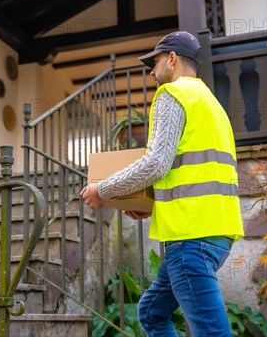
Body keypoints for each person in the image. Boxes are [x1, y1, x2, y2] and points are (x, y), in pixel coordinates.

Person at [80, 31, 244, 337]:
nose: (152, 71)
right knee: (152, 312)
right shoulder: (212, 104)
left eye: (154, 62)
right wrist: (150, 205)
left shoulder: (172, 95)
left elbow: (156, 163)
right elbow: (195, 175)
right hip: (217, 234)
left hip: (190, 240)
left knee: (211, 333)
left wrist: (102, 190)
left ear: (172, 59)